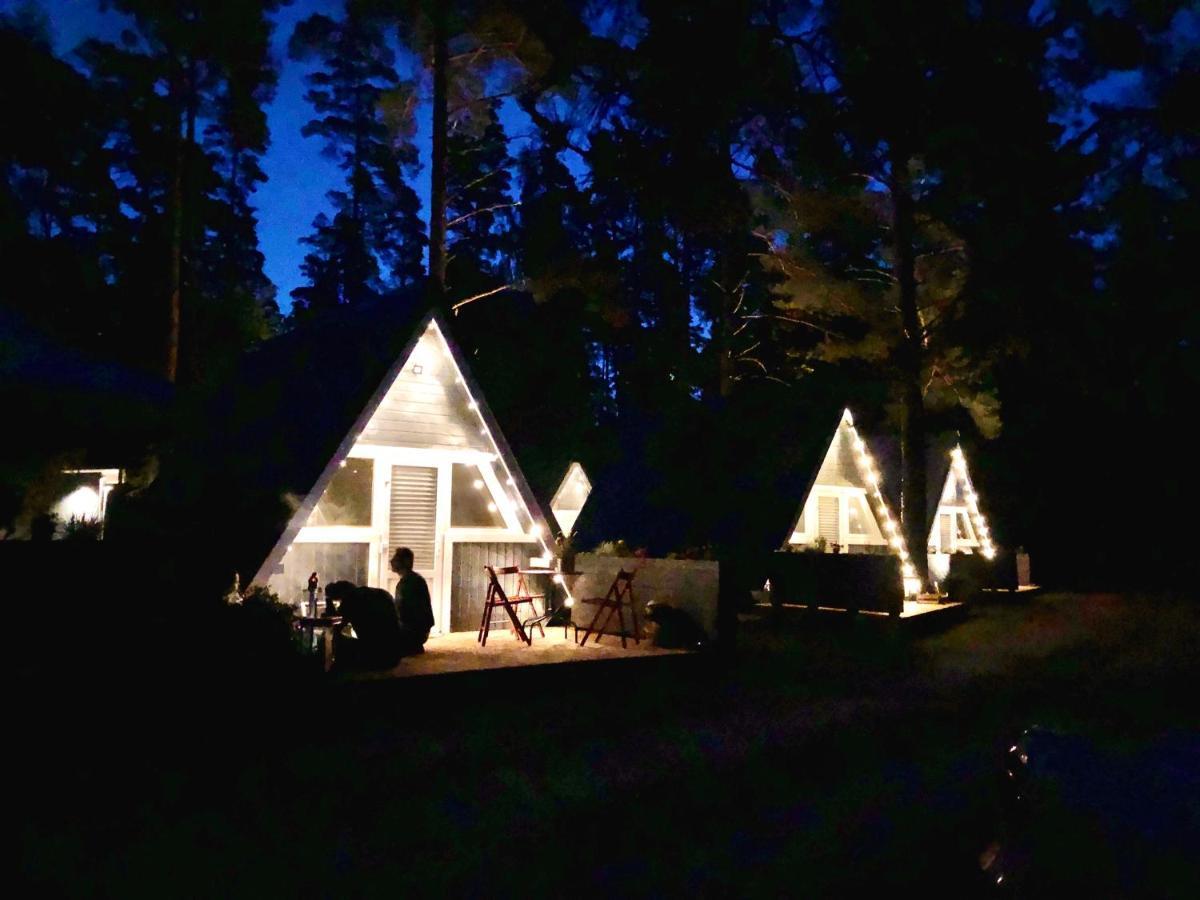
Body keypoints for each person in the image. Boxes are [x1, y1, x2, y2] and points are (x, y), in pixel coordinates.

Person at [325, 580, 402, 672]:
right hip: (395, 653)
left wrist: (329, 603)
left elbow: (336, 626)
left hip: (374, 654)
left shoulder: (351, 598)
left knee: (336, 643)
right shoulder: (381, 593)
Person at [391, 547, 434, 655]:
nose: (391, 561)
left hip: (415, 632)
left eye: (395, 558)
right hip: (418, 631)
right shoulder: (412, 580)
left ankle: (409, 644)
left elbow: (405, 612)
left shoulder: (410, 583)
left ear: (405, 562)